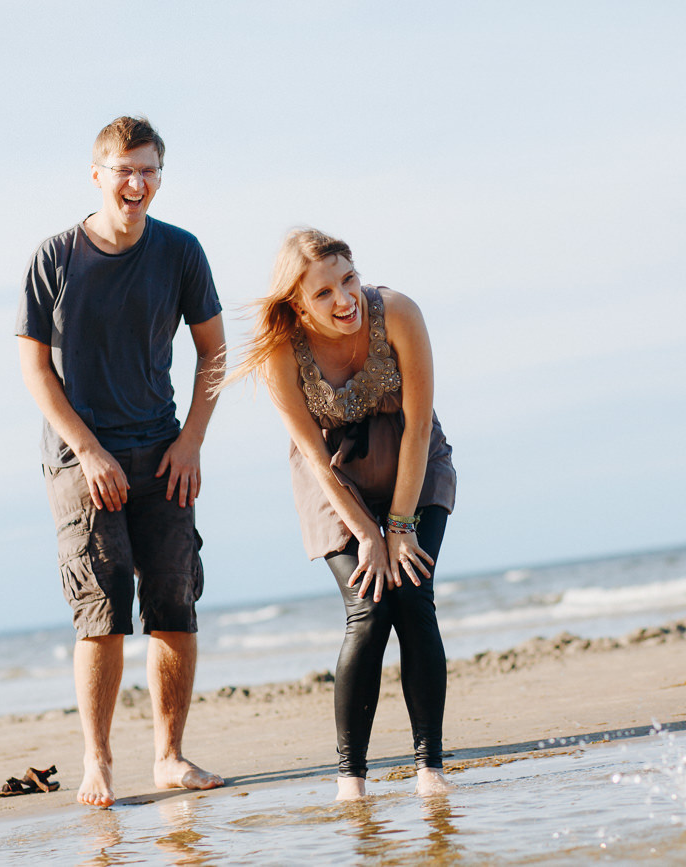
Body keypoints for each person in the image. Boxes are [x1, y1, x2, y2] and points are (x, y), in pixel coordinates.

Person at [16, 116, 226, 807]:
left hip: (163, 452)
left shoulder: (181, 251)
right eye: (124, 170)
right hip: (80, 459)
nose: (136, 183)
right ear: (97, 175)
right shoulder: (55, 257)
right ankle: (98, 761)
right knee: (101, 610)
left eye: (148, 170)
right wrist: (88, 450)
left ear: (159, 175)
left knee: (174, 602)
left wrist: (191, 440)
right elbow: (35, 368)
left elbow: (214, 352)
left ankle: (169, 756)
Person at [225, 228, 456, 800]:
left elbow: (419, 428)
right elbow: (311, 454)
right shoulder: (282, 351)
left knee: (412, 596)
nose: (345, 300)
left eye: (349, 280)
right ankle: (351, 779)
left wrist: (398, 525)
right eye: (324, 293)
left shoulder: (398, 313)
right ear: (298, 303)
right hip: (334, 480)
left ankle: (430, 768)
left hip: (412, 465)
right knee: (369, 609)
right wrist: (366, 534)